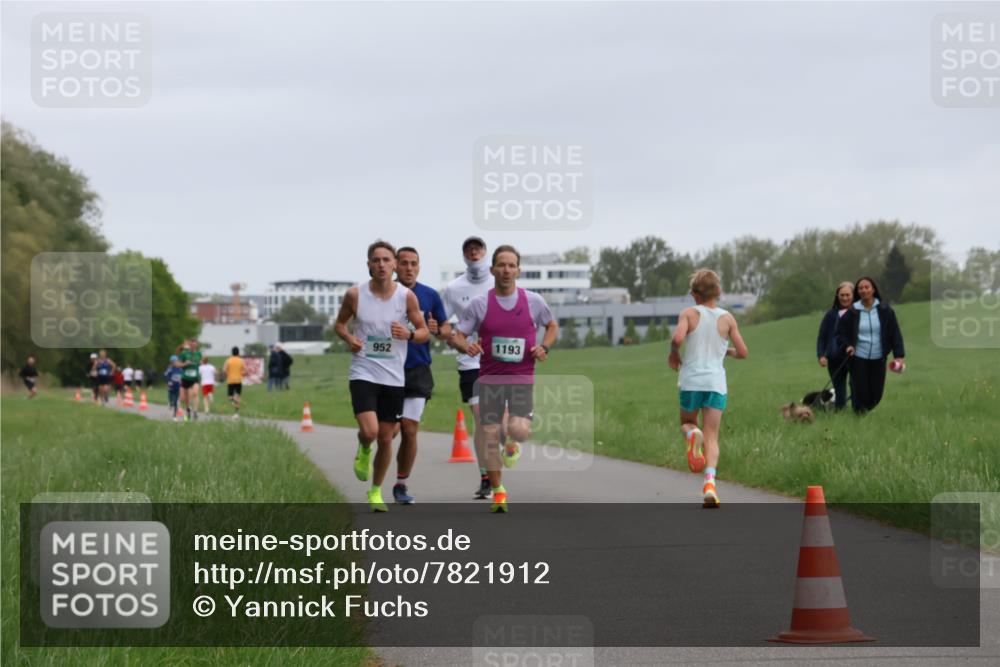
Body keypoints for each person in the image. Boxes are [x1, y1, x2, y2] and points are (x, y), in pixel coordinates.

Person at [450, 244, 559, 513]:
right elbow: (457, 335)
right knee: (489, 433)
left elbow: (552, 325)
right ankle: (498, 492)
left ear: (518, 271)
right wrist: (467, 346)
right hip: (489, 379)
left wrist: (544, 347)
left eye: (511, 265)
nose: (506, 270)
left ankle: (512, 444)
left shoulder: (533, 301)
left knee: (519, 431)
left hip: (522, 378)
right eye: (501, 265)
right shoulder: (480, 304)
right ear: (492, 270)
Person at [334, 240, 429, 512]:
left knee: (386, 439)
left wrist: (409, 334)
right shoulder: (355, 294)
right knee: (370, 432)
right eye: (376, 260)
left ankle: (375, 491)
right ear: (369, 265)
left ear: (394, 265)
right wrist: (349, 338)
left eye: (387, 260)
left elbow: (424, 332)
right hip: (363, 371)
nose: (381, 265)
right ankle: (364, 447)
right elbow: (339, 324)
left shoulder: (406, 297)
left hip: (393, 377)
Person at [668, 269, 749, 509]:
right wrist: (726, 351)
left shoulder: (689, 313)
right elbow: (743, 352)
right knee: (712, 436)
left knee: (687, 423)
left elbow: (677, 339)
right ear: (718, 292)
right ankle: (710, 484)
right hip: (715, 384)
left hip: (692, 381)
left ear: (695, 294)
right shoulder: (728, 318)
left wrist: (673, 354)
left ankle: (692, 435)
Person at [391, 246, 451, 505]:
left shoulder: (430, 295)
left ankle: (401, 484)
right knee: (389, 431)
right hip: (388, 370)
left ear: (419, 267)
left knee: (409, 429)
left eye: (413, 263)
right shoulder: (385, 293)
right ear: (395, 266)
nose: (409, 268)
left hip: (418, 370)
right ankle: (369, 448)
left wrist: (438, 330)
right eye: (404, 263)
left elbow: (446, 329)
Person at [442, 235, 496, 499]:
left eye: (478, 249)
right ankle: (486, 476)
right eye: (469, 250)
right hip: (471, 361)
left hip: (500, 360)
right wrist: (454, 339)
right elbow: (442, 323)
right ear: (464, 255)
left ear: (485, 252)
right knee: (482, 419)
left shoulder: (500, 281)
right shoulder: (454, 288)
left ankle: (506, 448)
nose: (474, 253)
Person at [836, 276, 905, 414]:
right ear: (858, 292)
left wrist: (899, 355)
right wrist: (847, 346)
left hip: (879, 357)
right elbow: (841, 333)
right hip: (858, 357)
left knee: (876, 395)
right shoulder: (853, 311)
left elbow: (895, 333)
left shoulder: (885, 310)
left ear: (873, 290)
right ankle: (859, 415)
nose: (863, 290)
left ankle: (862, 411)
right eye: (860, 288)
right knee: (861, 392)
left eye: (866, 287)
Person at [816, 281, 854, 411]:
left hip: (854, 357)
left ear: (853, 295)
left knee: (856, 386)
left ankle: (858, 412)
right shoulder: (830, 315)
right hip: (834, 358)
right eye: (842, 295)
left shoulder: (859, 313)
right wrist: (821, 355)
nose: (845, 298)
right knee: (839, 389)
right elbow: (822, 337)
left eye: (848, 295)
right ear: (837, 296)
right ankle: (841, 412)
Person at [178, 339, 202, 421]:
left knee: (195, 393)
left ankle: (195, 412)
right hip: (185, 378)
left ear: (196, 346)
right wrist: (185, 363)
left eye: (195, 345)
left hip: (195, 378)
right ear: (190, 345)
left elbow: (200, 362)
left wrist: (200, 363)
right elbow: (179, 364)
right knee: (183, 398)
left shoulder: (199, 354)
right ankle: (188, 410)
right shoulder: (184, 353)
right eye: (192, 345)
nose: (193, 346)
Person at [222, 346, 246, 419]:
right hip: (238, 380)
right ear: (238, 353)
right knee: (237, 396)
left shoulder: (228, 360)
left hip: (231, 380)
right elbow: (245, 371)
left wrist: (227, 374)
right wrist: (242, 374)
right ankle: (237, 413)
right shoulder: (241, 360)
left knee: (230, 397)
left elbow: (224, 370)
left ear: (232, 353)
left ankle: (235, 402)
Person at [164, 355, 183, 421]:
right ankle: (170, 403)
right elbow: (165, 376)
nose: (176, 363)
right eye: (174, 362)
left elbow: (183, 377)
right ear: (171, 362)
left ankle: (175, 415)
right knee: (171, 397)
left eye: (177, 362)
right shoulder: (170, 369)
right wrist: (168, 382)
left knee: (176, 401)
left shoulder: (180, 369)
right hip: (171, 386)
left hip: (178, 386)